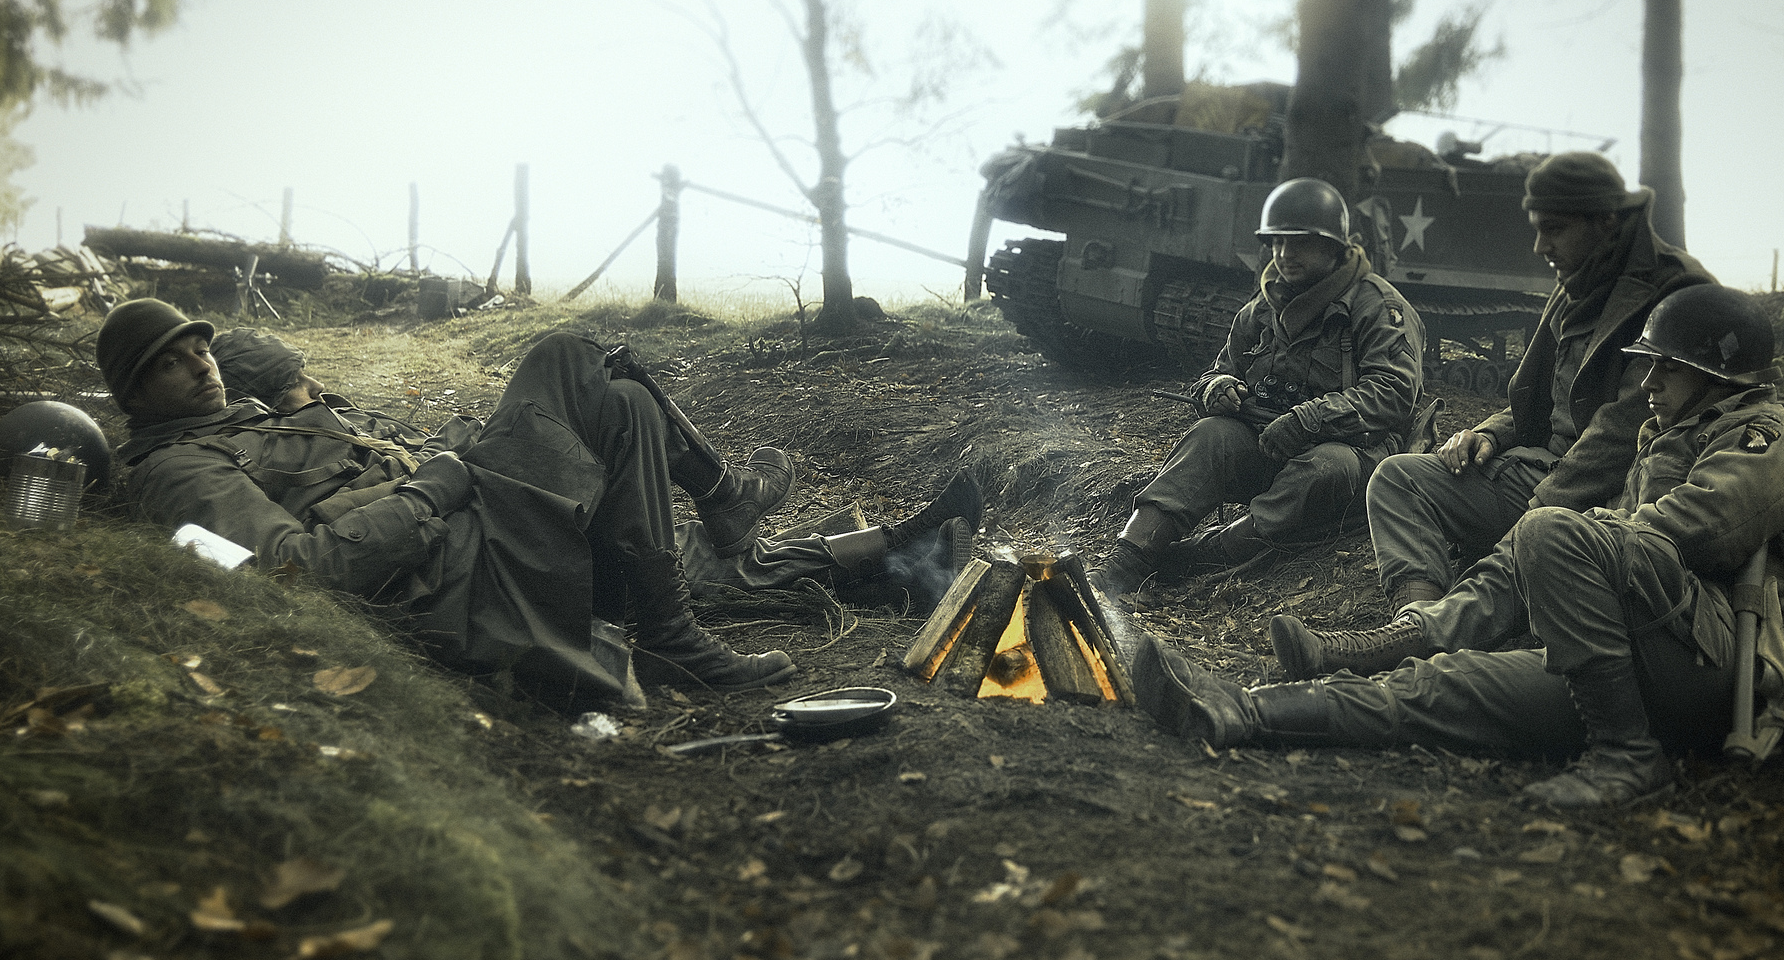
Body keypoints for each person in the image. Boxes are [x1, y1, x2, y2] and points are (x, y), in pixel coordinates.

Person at [1134, 286, 1784, 811]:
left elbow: (1695, 532)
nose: (1649, 382)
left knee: (1550, 529)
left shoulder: (1766, 439)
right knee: (1440, 689)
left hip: (1716, 662)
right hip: (1632, 657)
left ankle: (1628, 756)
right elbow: (1626, 545)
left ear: (1719, 377)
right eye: (1649, 366)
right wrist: (1542, 571)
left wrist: (1566, 553)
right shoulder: (1673, 434)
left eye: (1668, 370)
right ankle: (1247, 709)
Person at [101, 303, 975, 713]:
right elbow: (297, 570)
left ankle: (847, 556)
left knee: (625, 405)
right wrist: (430, 486)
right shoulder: (182, 471)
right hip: (453, 568)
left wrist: (429, 462)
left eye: (198, 347)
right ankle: (731, 526)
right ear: (137, 395)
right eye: (172, 364)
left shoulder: (249, 424)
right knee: (565, 355)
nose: (198, 364)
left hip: (471, 535)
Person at [205, 326, 979, 601]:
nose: (315, 392)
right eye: (299, 384)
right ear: (271, 396)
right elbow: (303, 557)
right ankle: (889, 551)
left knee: (690, 549)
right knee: (698, 565)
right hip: (475, 540)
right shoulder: (263, 450)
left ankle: (896, 556)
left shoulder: (316, 426)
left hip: (477, 513)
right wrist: (438, 478)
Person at [1363, 152, 1716, 614]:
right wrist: (1490, 432)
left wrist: (1534, 515)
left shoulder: (1677, 293)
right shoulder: (1581, 276)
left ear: (1605, 220)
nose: (1538, 246)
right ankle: (1415, 615)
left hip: (1611, 498)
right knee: (1395, 477)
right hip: (1541, 470)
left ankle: (1443, 625)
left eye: (1553, 229)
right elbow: (1539, 396)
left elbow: (1625, 433)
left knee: (1527, 548)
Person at [1097, 178, 1426, 594]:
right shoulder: (1263, 307)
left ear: (1334, 247)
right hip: (1269, 445)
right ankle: (1130, 558)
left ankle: (1207, 555)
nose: (1285, 255)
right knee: (1210, 435)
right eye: (1276, 243)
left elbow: (1394, 393)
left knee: (1326, 466)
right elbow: (1218, 371)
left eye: (1300, 243)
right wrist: (1216, 388)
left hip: (1353, 457)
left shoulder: (1378, 307)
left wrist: (1309, 419)